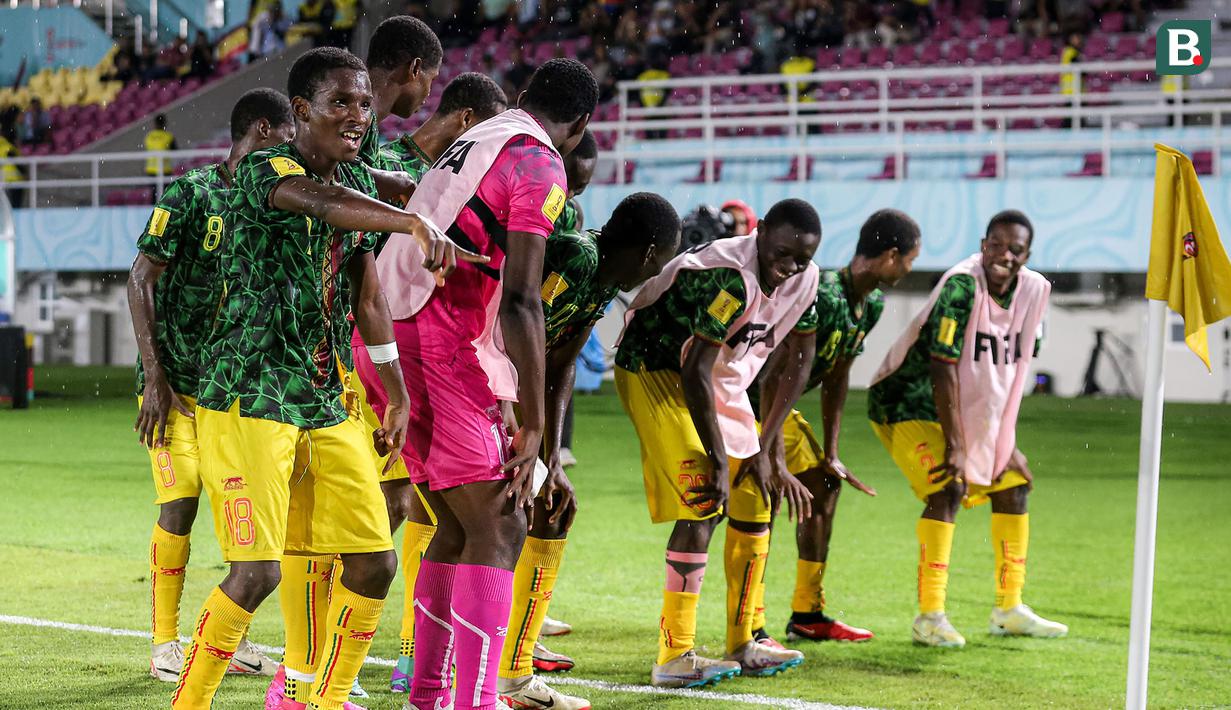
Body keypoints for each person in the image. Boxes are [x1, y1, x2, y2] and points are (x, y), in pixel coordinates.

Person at [169, 47, 482, 710]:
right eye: (341, 102)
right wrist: (409, 219)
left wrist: (394, 392)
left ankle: (322, 701)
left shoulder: (355, 185)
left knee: (374, 561)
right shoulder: (265, 169)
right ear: (301, 110)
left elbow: (368, 299)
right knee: (254, 574)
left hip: (321, 400)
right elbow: (319, 201)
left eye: (365, 103)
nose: (358, 115)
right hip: (248, 394)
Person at [356, 57, 597, 710]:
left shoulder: (480, 136)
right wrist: (536, 426)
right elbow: (522, 300)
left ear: (522, 97)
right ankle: (474, 702)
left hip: (390, 330)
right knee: (502, 522)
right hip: (437, 336)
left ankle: (429, 696)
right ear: (577, 125)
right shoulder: (538, 163)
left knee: (457, 527)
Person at [614, 198, 823, 688]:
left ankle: (743, 641)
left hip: (721, 381)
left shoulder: (807, 281)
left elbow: (794, 358)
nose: (790, 267)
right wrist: (718, 459)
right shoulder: (726, 274)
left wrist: (767, 448)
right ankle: (674, 657)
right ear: (762, 231)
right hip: (655, 369)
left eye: (803, 259)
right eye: (783, 252)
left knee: (755, 496)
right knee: (704, 500)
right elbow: (694, 369)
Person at [128, 88, 295, 687]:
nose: (293, 152)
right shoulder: (193, 192)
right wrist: (154, 376)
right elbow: (140, 277)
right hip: (174, 385)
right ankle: (166, 643)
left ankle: (234, 638)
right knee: (182, 500)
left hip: (233, 387)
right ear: (262, 129)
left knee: (237, 507)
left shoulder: (274, 203)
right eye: (287, 137)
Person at [492, 192, 682, 710]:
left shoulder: (603, 280)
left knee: (548, 511)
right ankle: (444, 662)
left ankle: (512, 672)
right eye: (662, 259)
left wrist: (554, 458)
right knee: (477, 523)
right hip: (477, 386)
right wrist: (512, 416)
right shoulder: (575, 255)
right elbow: (508, 324)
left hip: (511, 402)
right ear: (648, 254)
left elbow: (561, 362)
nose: (658, 269)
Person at [367, 70, 509, 695]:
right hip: (375, 349)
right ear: (464, 120)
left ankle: (413, 663)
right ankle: (309, 674)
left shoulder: (428, 178)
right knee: (356, 525)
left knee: (426, 516)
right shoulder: (385, 157)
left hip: (396, 348)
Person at [867, 210, 1068, 648]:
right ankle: (930, 617)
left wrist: (1004, 443)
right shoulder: (961, 286)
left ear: (1027, 254)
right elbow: (944, 369)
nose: (1005, 256)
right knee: (948, 485)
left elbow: (1009, 374)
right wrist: (957, 447)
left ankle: (1008, 609)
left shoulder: (1032, 293)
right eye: (996, 245)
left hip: (965, 408)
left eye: (1015, 249)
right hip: (908, 403)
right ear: (983, 245)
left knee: (1013, 485)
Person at [754, 209, 921, 644]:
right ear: (890, 256)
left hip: (778, 408)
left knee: (824, 484)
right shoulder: (823, 294)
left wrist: (831, 452)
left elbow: (839, 375)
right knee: (764, 498)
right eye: (910, 259)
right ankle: (750, 623)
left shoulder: (872, 303)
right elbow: (772, 374)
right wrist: (771, 455)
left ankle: (808, 612)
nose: (910, 268)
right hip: (749, 402)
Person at [550, 129, 598, 471]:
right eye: (568, 182)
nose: (570, 194)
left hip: (543, 322)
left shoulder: (569, 214)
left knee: (561, 368)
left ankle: (559, 446)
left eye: (579, 187)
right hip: (490, 328)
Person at [145, 114, 177, 179]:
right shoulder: (168, 136)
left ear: (154, 124)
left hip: (151, 169)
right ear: (164, 123)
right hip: (165, 169)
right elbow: (175, 151)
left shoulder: (149, 136)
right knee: (166, 189)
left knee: (155, 189)